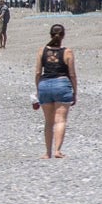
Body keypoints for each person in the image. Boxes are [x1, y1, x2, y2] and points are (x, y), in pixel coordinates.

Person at [35, 23, 77, 159]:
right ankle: (57, 151)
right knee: (60, 120)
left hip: (44, 85)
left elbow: (37, 72)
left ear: (50, 35)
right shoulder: (67, 52)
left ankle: (47, 153)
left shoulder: (42, 51)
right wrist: (75, 91)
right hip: (62, 85)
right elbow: (72, 74)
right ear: (63, 36)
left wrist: (38, 89)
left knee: (48, 121)